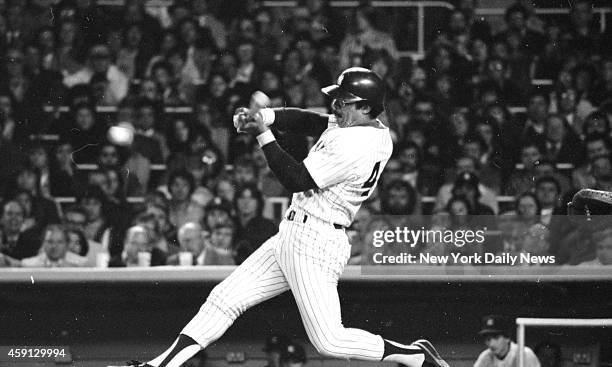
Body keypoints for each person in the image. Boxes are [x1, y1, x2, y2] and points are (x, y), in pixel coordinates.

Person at [117, 67, 448, 367]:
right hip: (296, 232)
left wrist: (263, 133)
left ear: (366, 107)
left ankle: (414, 356)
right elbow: (309, 121)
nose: (337, 106)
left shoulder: (357, 146)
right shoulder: (370, 125)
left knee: (330, 340)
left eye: (345, 102)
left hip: (316, 240)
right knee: (225, 298)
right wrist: (265, 116)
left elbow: (296, 179)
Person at [474, 315, 540, 367]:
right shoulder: (485, 357)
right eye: (488, 339)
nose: (491, 344)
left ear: (507, 338)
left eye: (496, 338)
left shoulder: (525, 354)